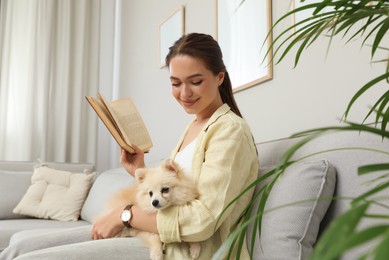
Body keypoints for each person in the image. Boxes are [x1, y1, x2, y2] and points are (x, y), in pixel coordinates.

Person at [0, 33, 258, 260]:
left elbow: (203, 220)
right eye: (176, 83)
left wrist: (124, 216)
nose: (184, 93)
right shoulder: (195, 126)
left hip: (184, 251)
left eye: (196, 81)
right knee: (23, 244)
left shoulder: (229, 131)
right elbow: (169, 194)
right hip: (154, 237)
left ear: (220, 77)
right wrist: (140, 169)